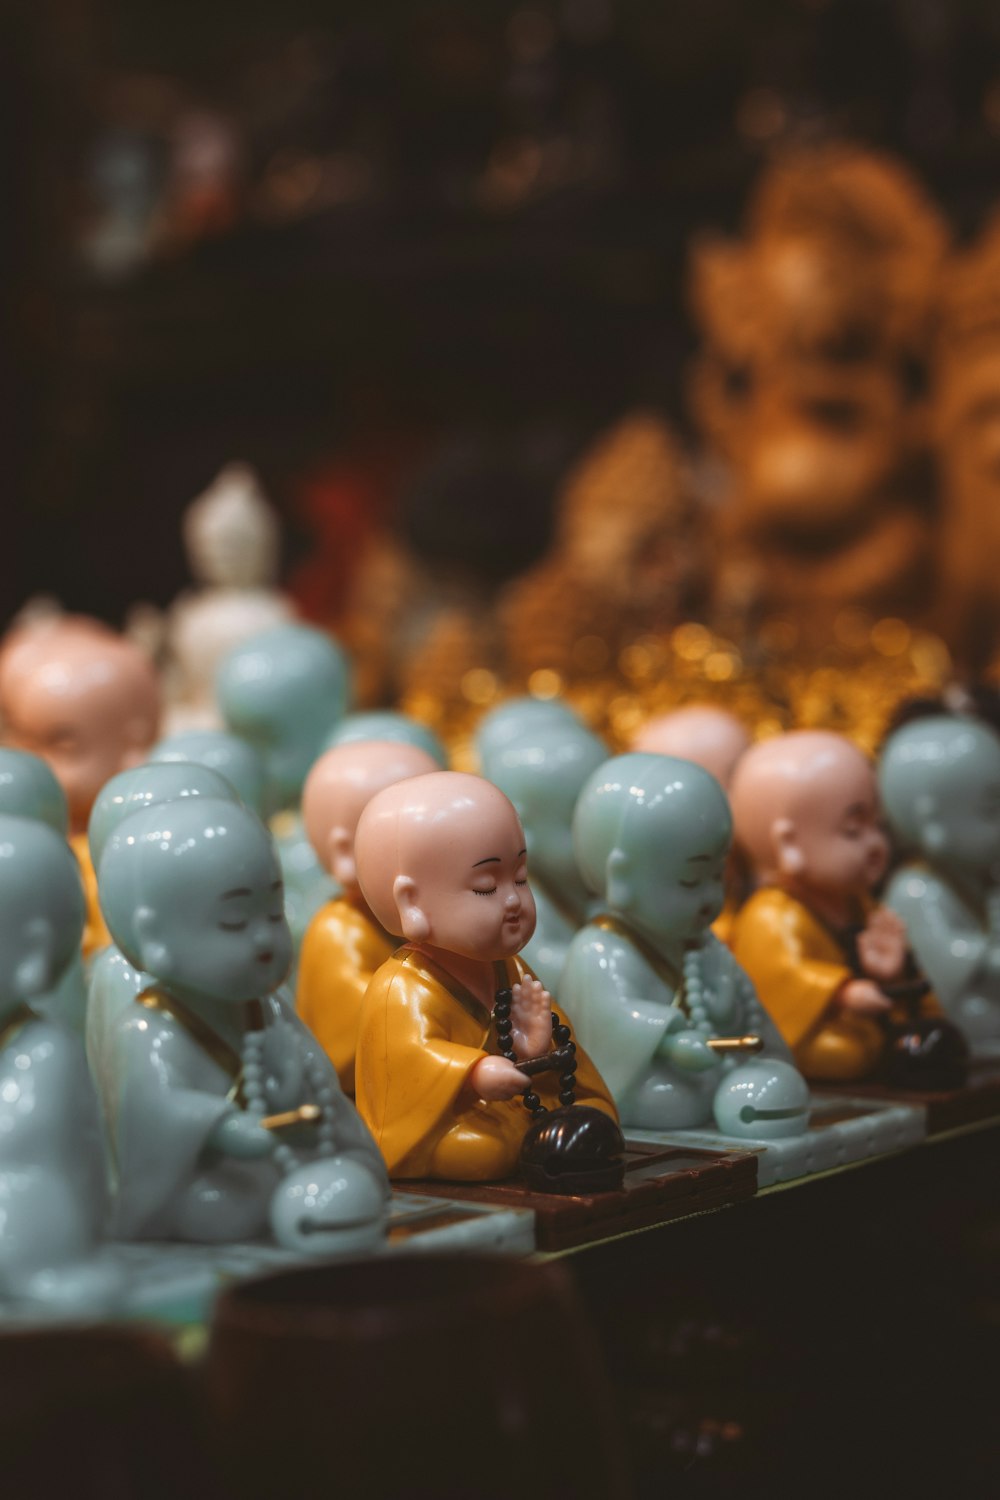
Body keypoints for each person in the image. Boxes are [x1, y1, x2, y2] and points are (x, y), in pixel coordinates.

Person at [354, 771, 617, 1180]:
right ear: (411, 902)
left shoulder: (508, 967)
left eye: (520, 878)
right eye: (484, 886)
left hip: (516, 1103)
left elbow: (558, 1051)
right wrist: (473, 1072)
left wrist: (535, 1050)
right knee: (484, 1152)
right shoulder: (400, 987)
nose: (513, 900)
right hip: (454, 1119)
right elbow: (407, 1059)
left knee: (590, 1116)